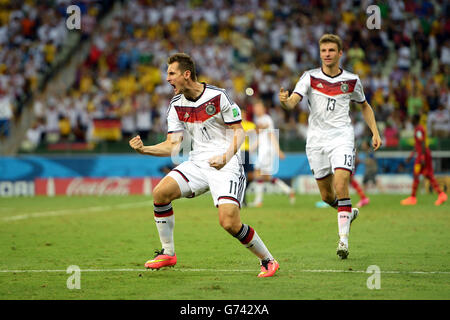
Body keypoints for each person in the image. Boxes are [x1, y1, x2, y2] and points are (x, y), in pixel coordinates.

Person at [129, 53, 279, 277]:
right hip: (198, 163)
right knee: (160, 193)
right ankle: (168, 253)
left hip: (227, 164)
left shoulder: (218, 97)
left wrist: (226, 157)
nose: (167, 79)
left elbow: (239, 132)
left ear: (186, 74)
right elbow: (172, 144)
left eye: (171, 73)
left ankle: (268, 260)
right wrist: (144, 149)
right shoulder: (176, 105)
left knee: (229, 222)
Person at [279, 34, 382, 259]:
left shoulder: (352, 80)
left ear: (340, 53)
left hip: (342, 138)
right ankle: (348, 212)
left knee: (341, 183)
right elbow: (294, 101)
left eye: (331, 51)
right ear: (320, 53)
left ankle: (343, 241)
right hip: (316, 140)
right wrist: (286, 102)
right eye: (323, 50)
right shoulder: (309, 77)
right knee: (327, 196)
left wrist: (375, 131)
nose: (327, 54)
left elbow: (365, 106)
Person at [250, 99, 295, 207]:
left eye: (258, 107)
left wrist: (278, 150)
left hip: (267, 150)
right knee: (266, 177)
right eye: (255, 108)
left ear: (263, 109)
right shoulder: (258, 119)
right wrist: (252, 147)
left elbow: (271, 135)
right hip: (263, 150)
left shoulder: (266, 119)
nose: (256, 109)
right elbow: (261, 137)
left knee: (257, 172)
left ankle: (258, 201)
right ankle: (288, 190)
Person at [401, 114, 447, 206]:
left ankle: (413, 198)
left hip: (423, 155)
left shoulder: (419, 129)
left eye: (412, 118)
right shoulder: (418, 129)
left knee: (419, 175)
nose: (411, 120)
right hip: (423, 154)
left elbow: (422, 143)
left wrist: (422, 157)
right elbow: (417, 144)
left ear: (415, 119)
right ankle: (441, 195)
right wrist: (410, 156)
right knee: (427, 175)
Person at [239, 107, 257, 207]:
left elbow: (256, 133)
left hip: (247, 152)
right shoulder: (235, 125)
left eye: (244, 114)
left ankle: (243, 194)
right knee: (240, 175)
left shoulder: (251, 125)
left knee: (251, 176)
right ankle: (241, 198)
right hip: (238, 152)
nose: (242, 116)